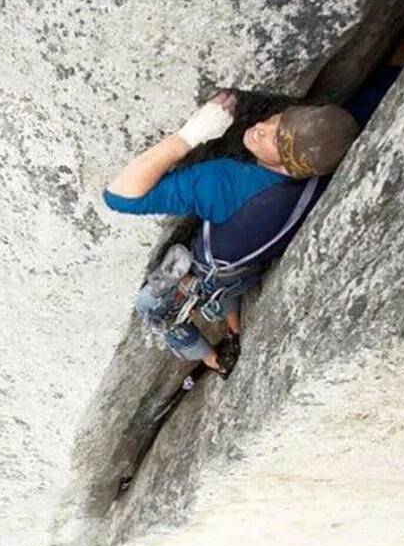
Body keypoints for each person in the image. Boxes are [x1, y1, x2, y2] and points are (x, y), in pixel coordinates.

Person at [103, 94, 360, 376]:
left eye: (276, 139)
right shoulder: (321, 171)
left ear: (292, 162)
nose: (262, 128)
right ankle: (233, 327)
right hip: (246, 270)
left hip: (212, 275)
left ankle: (214, 359)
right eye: (277, 120)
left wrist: (191, 134)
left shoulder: (228, 183)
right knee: (230, 281)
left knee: (151, 309)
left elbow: (120, 197)